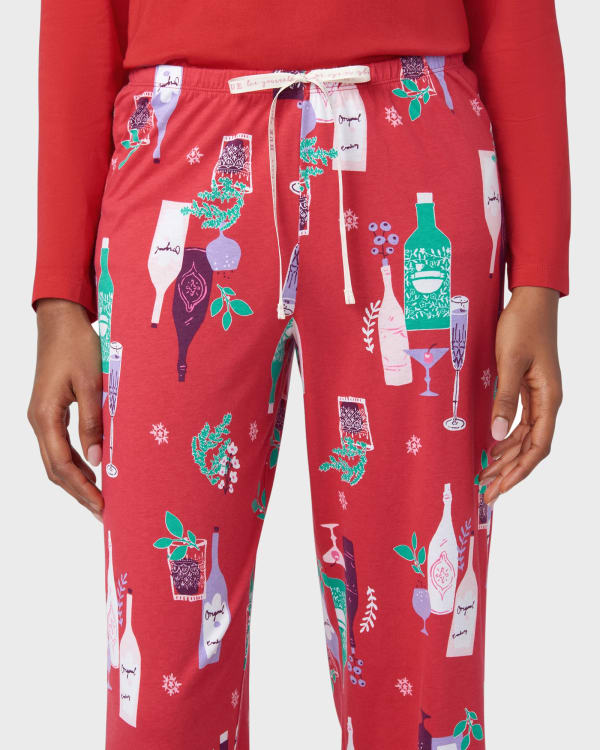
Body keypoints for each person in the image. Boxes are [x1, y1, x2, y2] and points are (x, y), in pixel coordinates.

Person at [28, 1, 568, 748]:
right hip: (180, 155)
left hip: (412, 139)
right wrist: (61, 295)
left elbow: (515, 13)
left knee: (420, 634)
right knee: (162, 636)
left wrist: (538, 277)